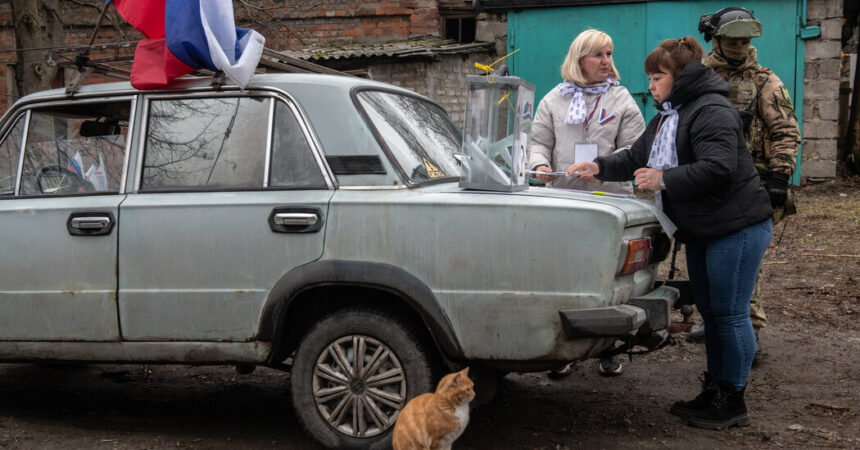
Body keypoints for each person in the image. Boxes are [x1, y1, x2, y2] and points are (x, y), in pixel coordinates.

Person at [568, 37, 773, 429]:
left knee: (730, 315)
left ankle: (733, 400)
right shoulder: (669, 115)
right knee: (713, 315)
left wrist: (664, 178)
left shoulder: (712, 110)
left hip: (736, 226)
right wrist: (597, 167)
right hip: (703, 228)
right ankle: (715, 390)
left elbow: (720, 167)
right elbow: (635, 156)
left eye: (657, 76)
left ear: (679, 77)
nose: (652, 85)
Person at [528, 29, 645, 377]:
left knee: (607, 277)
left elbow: (635, 149)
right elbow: (538, 143)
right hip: (564, 202)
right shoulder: (554, 100)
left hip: (610, 203)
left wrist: (603, 169)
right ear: (579, 60)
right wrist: (540, 167)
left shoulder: (622, 100)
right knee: (563, 276)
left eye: (609, 55)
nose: (607, 62)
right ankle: (562, 351)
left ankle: (607, 347)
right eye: (598, 55)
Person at [686, 7, 801, 358]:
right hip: (705, 183)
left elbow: (785, 131)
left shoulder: (766, 82)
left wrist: (780, 175)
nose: (739, 46)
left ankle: (747, 329)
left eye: (745, 41)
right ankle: (715, 320)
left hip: (750, 185)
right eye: (733, 40)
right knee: (706, 253)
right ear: (717, 40)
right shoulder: (698, 77)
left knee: (743, 261)